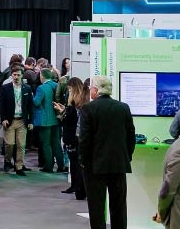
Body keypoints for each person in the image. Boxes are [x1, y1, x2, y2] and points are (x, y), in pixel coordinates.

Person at [79, 75, 135, 229]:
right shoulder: (123, 108)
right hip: (118, 164)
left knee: (96, 208)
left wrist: (83, 161)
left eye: (91, 88)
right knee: (119, 207)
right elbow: (131, 136)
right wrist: (126, 157)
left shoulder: (88, 109)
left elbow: (85, 140)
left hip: (94, 167)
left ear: (96, 90)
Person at [53, 77, 89, 200]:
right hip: (73, 136)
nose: (68, 91)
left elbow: (76, 121)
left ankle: (78, 188)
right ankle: (76, 186)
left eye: (69, 89)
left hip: (75, 137)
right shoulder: (75, 103)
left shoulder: (78, 104)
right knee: (74, 164)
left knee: (77, 164)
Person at [0, 65, 33, 175]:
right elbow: (1, 105)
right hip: (10, 121)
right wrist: (3, 119)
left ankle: (19, 166)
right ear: (11, 75)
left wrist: (31, 121)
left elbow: (30, 106)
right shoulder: (5, 88)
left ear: (22, 75)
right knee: (9, 144)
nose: (16, 77)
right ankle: (7, 161)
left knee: (21, 145)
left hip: (22, 121)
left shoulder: (27, 88)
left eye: (18, 75)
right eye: (14, 75)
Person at [33, 68, 63, 173]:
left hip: (44, 120)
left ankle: (48, 167)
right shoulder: (56, 86)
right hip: (56, 119)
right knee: (56, 143)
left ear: (42, 76)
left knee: (46, 144)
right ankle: (61, 166)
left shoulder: (41, 88)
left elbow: (36, 102)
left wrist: (32, 97)